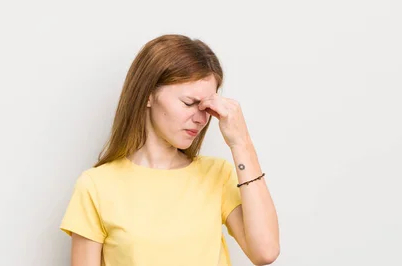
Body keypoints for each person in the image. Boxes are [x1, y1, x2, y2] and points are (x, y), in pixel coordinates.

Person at [59, 34, 280, 266]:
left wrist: (241, 143)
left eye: (207, 107)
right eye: (189, 103)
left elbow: (265, 252)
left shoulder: (217, 174)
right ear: (147, 96)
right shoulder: (96, 186)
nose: (201, 119)